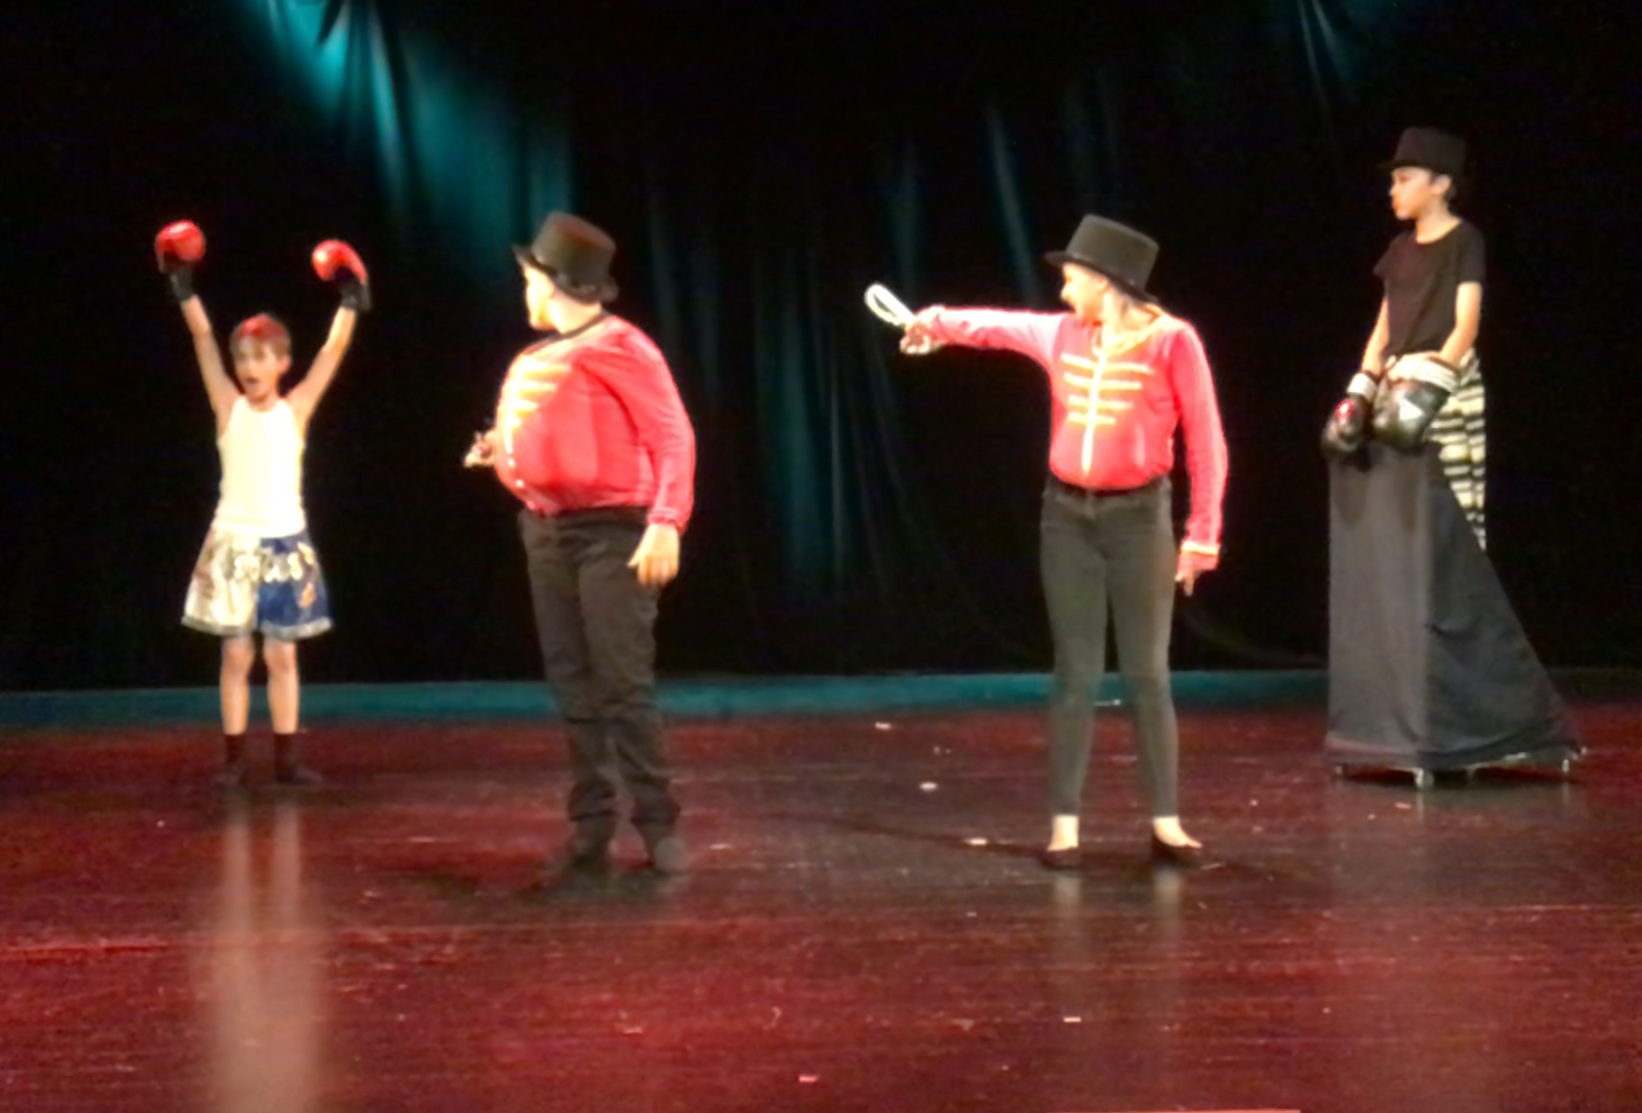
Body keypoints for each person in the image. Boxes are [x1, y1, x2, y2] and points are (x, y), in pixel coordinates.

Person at [899, 214, 1228, 869]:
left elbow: (1207, 440)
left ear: (1106, 282)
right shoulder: (1064, 334)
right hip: (1068, 519)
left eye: (1074, 277)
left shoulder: (1173, 342)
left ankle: (1166, 823)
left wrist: (1202, 536)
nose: (1065, 289)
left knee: (1147, 673)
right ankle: (1065, 826)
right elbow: (995, 326)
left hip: (1139, 520)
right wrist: (931, 322)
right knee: (1075, 673)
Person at [467, 212, 697, 875]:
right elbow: (562, 427)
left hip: (612, 531)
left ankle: (657, 821)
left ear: (554, 283)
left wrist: (665, 520)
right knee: (572, 682)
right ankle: (592, 821)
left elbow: (673, 436)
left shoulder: (622, 347)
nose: (525, 291)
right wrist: (503, 449)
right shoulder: (540, 355)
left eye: (528, 279)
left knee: (621, 681)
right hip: (547, 531)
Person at [158, 221, 370, 789]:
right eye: (243, 358)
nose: (249, 367)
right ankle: (233, 760)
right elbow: (203, 340)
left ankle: (286, 760)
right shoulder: (227, 407)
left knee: (281, 657)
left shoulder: (294, 411)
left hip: (284, 544)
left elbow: (333, 350)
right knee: (235, 656)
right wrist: (183, 287)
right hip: (234, 542)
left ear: (282, 363)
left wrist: (350, 301)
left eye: (261, 357)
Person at [1321, 127, 1487, 546]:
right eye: (1393, 181)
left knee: (1451, 500)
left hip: (1441, 381)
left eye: (1404, 179)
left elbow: (1466, 323)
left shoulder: (1464, 241)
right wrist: (1361, 391)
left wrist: (1432, 385)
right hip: (1394, 385)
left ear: (1441, 184)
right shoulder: (1398, 249)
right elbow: (1384, 327)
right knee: (1399, 509)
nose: (1393, 190)